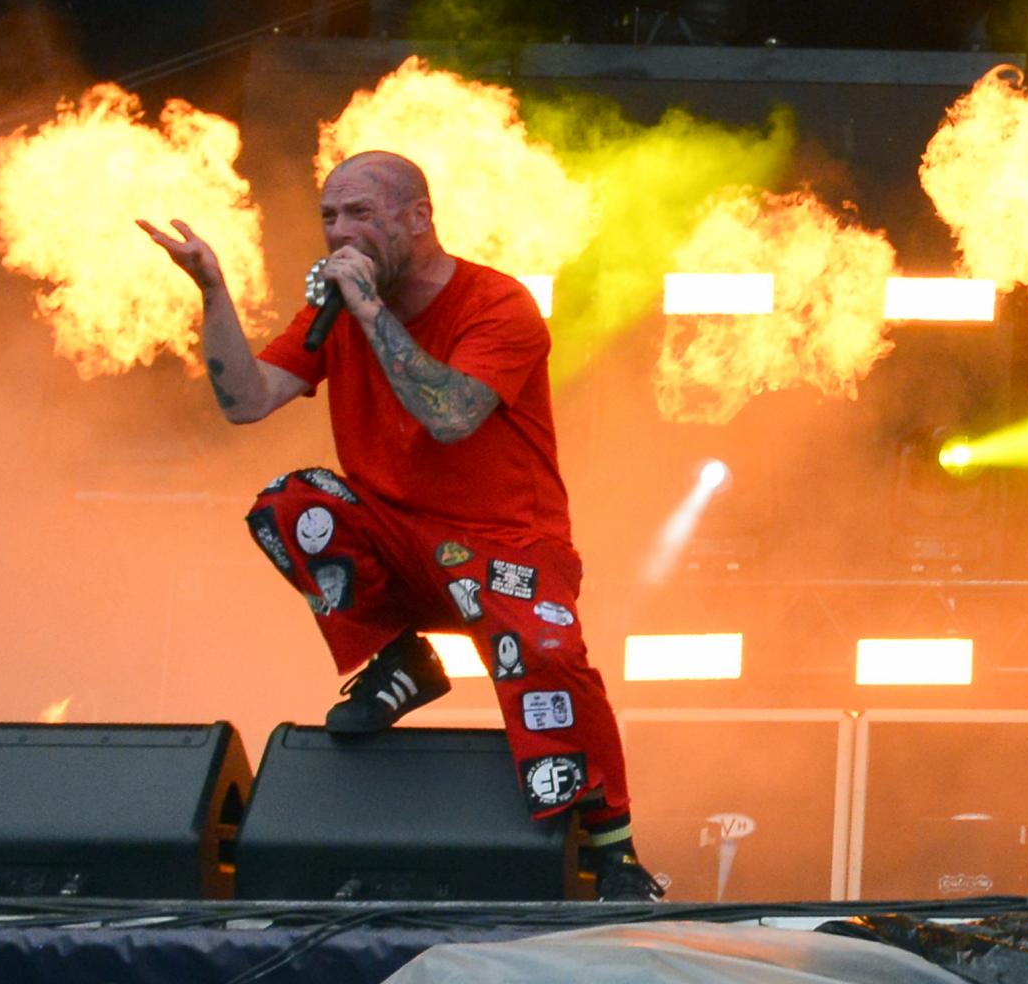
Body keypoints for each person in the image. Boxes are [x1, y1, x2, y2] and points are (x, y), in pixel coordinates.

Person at [139, 149, 662, 902]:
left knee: (549, 657)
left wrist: (368, 313)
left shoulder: (496, 304)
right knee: (289, 504)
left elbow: (450, 415)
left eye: (360, 212)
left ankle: (614, 851)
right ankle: (401, 659)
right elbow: (246, 401)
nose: (338, 231)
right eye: (329, 215)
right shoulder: (336, 312)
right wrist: (213, 292)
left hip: (503, 545)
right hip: (396, 537)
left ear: (418, 218)